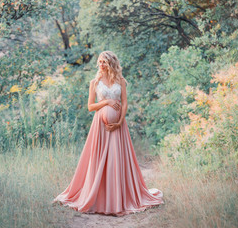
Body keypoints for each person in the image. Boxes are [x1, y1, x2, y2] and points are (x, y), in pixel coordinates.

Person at [52, 51, 164, 217]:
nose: (101, 65)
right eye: (100, 62)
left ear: (111, 63)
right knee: (99, 162)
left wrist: (119, 121)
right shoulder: (94, 82)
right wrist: (106, 102)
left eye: (104, 62)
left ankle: (117, 199)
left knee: (116, 160)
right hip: (100, 128)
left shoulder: (121, 81)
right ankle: (99, 198)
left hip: (118, 127)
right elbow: (90, 107)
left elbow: (125, 103)